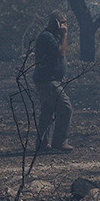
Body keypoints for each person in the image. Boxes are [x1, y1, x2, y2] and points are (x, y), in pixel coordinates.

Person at [33, 11, 73, 152]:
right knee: (65, 107)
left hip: (52, 79)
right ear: (55, 23)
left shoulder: (53, 37)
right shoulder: (47, 37)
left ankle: (42, 144)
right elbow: (60, 52)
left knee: (48, 112)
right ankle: (60, 142)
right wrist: (64, 35)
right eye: (62, 22)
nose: (65, 26)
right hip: (47, 81)